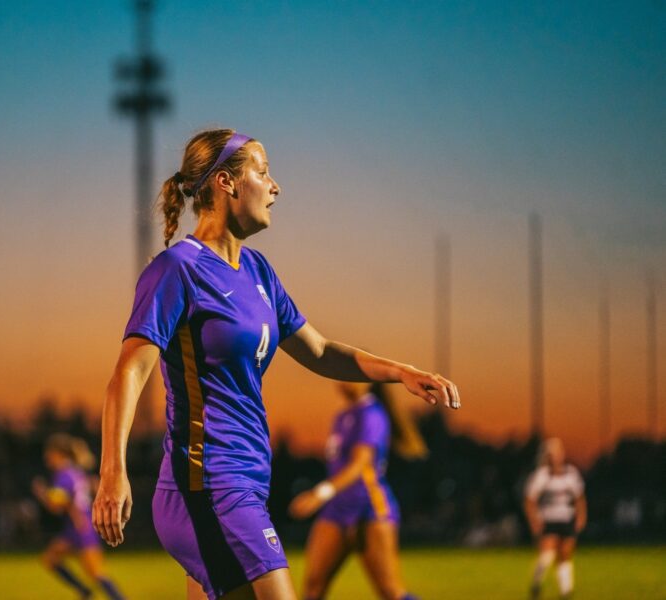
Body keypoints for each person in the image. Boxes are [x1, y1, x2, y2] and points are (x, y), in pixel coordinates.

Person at [92, 128, 461, 600]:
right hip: (205, 488)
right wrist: (112, 473)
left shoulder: (259, 272)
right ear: (225, 182)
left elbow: (321, 351)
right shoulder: (176, 270)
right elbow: (130, 372)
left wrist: (403, 372)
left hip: (246, 483)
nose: (275, 186)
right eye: (262, 173)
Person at [289, 382, 426, 600]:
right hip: (337, 510)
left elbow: (361, 464)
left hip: (369, 507)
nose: (341, 380)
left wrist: (320, 493)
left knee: (390, 591)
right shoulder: (343, 416)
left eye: (349, 374)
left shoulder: (372, 414)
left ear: (368, 381)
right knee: (313, 587)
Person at [33, 434, 125, 600]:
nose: (47, 457)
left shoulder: (63, 474)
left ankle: (117, 598)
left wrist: (42, 494)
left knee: (96, 573)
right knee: (50, 558)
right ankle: (84, 591)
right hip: (77, 526)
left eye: (49, 453)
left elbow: (58, 505)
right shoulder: (75, 472)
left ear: (58, 453)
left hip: (80, 526)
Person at [523, 438, 586, 600]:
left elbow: (579, 497)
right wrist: (534, 520)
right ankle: (536, 583)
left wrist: (581, 516)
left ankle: (566, 591)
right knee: (548, 554)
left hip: (566, 519)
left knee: (565, 553)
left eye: (557, 454)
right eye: (551, 455)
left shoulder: (571, 473)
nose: (554, 458)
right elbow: (530, 500)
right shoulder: (541, 476)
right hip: (548, 520)